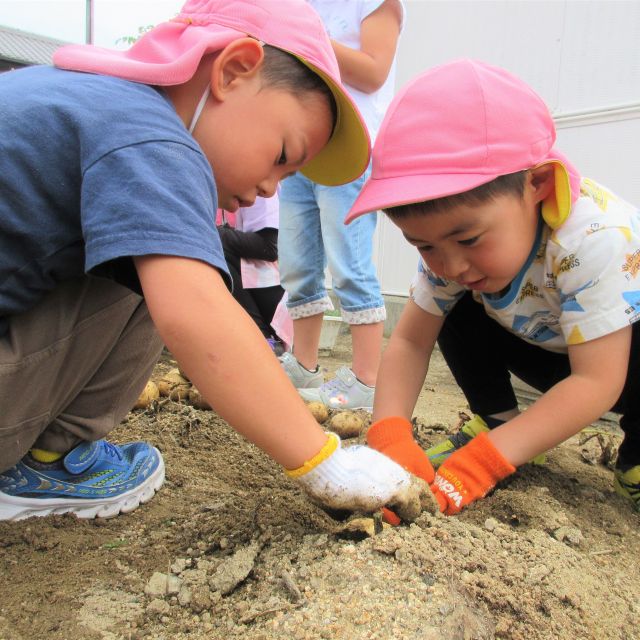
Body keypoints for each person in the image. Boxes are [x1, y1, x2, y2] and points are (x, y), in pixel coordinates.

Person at [0, 0, 433, 522]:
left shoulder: (80, 95)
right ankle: (48, 461)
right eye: (282, 155)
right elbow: (195, 313)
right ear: (232, 70)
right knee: (172, 264)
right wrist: (324, 462)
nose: (270, 188)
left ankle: (45, 454)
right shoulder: (151, 135)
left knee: (162, 251)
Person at [345, 59, 640, 517]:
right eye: (423, 244)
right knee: (447, 304)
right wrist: (389, 435)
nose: (450, 262)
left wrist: (481, 465)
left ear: (537, 184)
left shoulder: (594, 236)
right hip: (553, 350)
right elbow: (409, 340)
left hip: (622, 365)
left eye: (468, 239)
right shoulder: (452, 259)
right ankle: (501, 422)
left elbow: (596, 381)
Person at [278, 0, 404, 411]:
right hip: (301, 143)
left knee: (349, 263)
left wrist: (305, 39)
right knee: (297, 264)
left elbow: (372, 72)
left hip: (349, 145)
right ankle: (303, 364)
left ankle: (367, 381)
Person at [217, 194, 287, 356]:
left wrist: (210, 233)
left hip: (269, 287)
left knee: (215, 249)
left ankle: (267, 343)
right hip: (250, 283)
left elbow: (270, 248)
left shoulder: (259, 192)